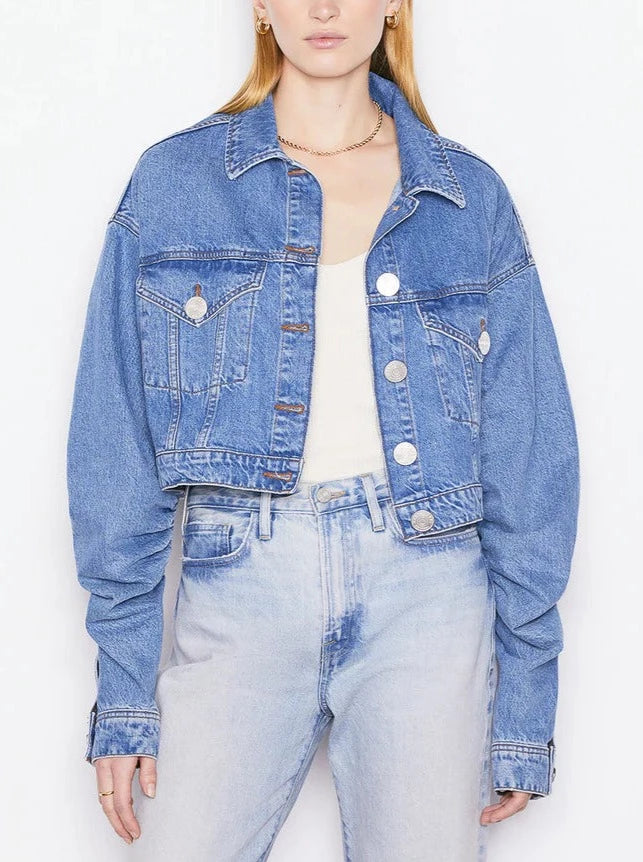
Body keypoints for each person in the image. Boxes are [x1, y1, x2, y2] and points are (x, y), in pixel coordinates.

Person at [66, 1, 580, 859]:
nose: (326, 7)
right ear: (260, 6)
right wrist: (124, 692)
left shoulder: (466, 198)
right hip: (241, 584)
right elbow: (114, 442)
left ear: (394, 4)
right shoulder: (175, 184)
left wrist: (525, 699)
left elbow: (528, 458)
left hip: (427, 596)